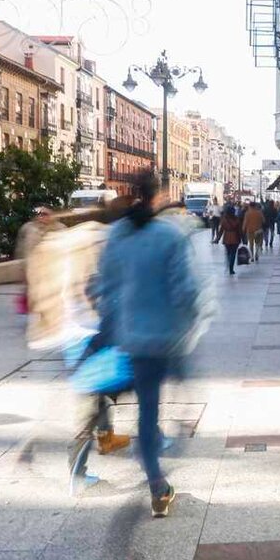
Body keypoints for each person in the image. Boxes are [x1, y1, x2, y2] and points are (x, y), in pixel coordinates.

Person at [94, 171, 202, 517]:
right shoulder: (169, 236)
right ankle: (176, 428)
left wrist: (111, 324)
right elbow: (186, 292)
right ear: (158, 195)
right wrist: (191, 319)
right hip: (167, 339)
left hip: (132, 340)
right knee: (167, 393)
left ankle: (157, 484)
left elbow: (101, 289)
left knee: (146, 410)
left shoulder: (118, 236)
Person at [218, 204, 242, 275]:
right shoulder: (237, 219)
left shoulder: (224, 220)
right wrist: (243, 238)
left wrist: (218, 239)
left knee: (228, 253)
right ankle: (231, 268)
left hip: (226, 238)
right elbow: (240, 230)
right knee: (233, 254)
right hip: (235, 238)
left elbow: (221, 230)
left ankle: (229, 265)